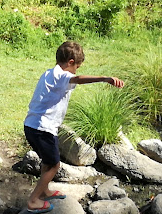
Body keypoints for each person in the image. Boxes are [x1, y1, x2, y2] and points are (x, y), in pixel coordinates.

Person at [23, 41, 125, 213]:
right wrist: (105, 78)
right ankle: (34, 200)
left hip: (32, 126)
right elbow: (77, 78)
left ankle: (45, 190)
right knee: (54, 165)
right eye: (77, 66)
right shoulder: (61, 76)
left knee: (47, 162)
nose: (77, 70)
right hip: (43, 129)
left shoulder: (48, 73)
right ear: (70, 62)